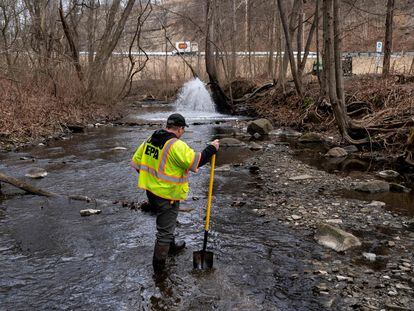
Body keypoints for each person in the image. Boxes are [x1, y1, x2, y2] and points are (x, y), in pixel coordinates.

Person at [131, 113, 219, 273]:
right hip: (167, 196)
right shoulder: (176, 145)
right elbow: (196, 161)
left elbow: (135, 163)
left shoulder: (151, 139)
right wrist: (212, 148)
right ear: (179, 129)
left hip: (151, 192)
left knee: (167, 222)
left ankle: (171, 248)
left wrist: (153, 181)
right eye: (183, 130)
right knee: (164, 233)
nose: (183, 133)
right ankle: (159, 272)